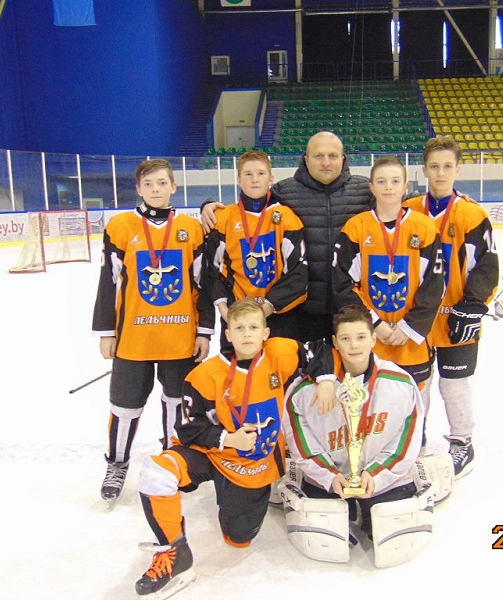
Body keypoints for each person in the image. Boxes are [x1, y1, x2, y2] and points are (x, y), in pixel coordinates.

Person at [133, 299, 335, 597]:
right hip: (210, 454)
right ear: (228, 334)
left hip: (251, 466)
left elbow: (319, 350)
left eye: (253, 327)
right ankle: (173, 552)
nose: (247, 334)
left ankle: (235, 497)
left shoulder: (279, 354)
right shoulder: (204, 375)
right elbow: (187, 428)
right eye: (239, 328)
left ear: (266, 333)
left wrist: (325, 380)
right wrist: (227, 439)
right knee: (156, 472)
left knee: (238, 539)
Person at [92, 158, 215, 505]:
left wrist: (204, 331)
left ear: (173, 186)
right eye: (148, 184)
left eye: (162, 183)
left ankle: (172, 460)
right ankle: (117, 464)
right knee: (125, 406)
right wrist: (106, 331)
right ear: (138, 189)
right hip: (133, 338)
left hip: (180, 337)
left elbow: (203, 284)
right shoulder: (120, 226)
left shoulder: (191, 229)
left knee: (177, 403)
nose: (156, 189)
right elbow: (109, 282)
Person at [279, 305, 436, 567]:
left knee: (393, 535)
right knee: (325, 539)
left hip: (384, 479)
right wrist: (329, 477)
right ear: (334, 342)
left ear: (374, 339)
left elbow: (407, 441)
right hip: (331, 480)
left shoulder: (400, 382)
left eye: (361, 337)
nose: (354, 345)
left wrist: (377, 474)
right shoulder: (304, 390)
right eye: (346, 338)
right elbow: (302, 445)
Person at [201, 132, 372, 342]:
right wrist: (208, 206)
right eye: (318, 156)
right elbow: (253, 200)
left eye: (333, 156)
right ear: (306, 159)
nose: (326, 162)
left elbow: (396, 203)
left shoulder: (365, 190)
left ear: (343, 158)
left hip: (350, 310)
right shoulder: (284, 191)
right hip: (303, 313)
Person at [402, 135, 498, 478]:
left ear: (458, 168)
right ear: (424, 169)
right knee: (419, 386)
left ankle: (462, 443)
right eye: (434, 166)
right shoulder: (408, 209)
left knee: (454, 385)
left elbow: (486, 264)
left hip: (457, 315)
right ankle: (414, 443)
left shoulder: (472, 214)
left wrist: (472, 305)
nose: (440, 173)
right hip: (417, 318)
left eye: (447, 166)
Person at [332, 156, 443, 403]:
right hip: (369, 339)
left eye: (395, 181)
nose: (388, 187)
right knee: (370, 406)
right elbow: (342, 285)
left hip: (411, 342)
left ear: (405, 187)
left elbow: (434, 285)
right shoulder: (356, 228)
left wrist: (408, 328)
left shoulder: (424, 227)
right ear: (372, 188)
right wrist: (373, 323)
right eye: (381, 181)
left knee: (413, 407)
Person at [206, 150, 308, 345]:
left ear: (271, 178)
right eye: (248, 174)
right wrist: (225, 312)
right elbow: (213, 271)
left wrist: (266, 308)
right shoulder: (223, 218)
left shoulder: (286, 217)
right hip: (237, 317)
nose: (254, 179)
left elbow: (298, 272)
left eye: (261, 173)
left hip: (279, 317)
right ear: (238, 179)